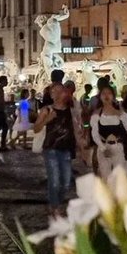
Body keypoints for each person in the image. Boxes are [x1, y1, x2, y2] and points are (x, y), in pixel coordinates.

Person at [34, 82, 78, 215]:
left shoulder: (71, 110)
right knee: (54, 180)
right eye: (54, 91)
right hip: (51, 148)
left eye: (60, 90)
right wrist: (47, 119)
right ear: (51, 95)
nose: (58, 93)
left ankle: (55, 203)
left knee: (66, 182)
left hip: (66, 149)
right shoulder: (46, 110)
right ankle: (55, 207)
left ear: (65, 93)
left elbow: (76, 128)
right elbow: (36, 128)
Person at [89, 83, 127, 180]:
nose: (106, 96)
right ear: (100, 97)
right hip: (104, 147)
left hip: (118, 147)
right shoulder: (97, 114)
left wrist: (122, 114)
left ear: (113, 96)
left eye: (109, 93)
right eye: (103, 93)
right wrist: (102, 148)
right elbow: (94, 133)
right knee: (106, 176)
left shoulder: (120, 113)